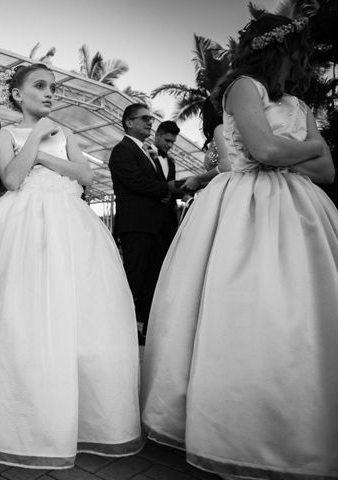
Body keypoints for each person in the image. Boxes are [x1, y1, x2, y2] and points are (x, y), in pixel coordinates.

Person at [141, 13, 338, 479]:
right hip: (244, 205)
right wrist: (305, 150)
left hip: (300, 210)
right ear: (280, 51)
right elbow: (267, 153)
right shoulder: (244, 86)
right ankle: (232, 425)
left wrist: (289, 152)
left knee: (302, 307)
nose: (301, 66)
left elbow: (326, 171)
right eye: (297, 55)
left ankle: (295, 422)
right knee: (242, 302)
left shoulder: (299, 104)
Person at [0, 63, 143, 469]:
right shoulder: (4, 134)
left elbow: (84, 176)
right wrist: (35, 137)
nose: (50, 93)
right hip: (21, 226)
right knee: (23, 311)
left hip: (70, 226)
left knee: (76, 311)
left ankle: (74, 411)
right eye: (40, 86)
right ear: (17, 94)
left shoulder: (65, 133)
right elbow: (12, 179)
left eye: (53, 87)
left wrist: (46, 159)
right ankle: (23, 410)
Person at [108, 103, 183, 342]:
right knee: (133, 279)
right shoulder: (122, 150)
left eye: (151, 119)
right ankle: (123, 328)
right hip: (136, 225)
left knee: (153, 280)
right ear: (129, 122)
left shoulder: (146, 150)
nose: (150, 122)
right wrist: (167, 188)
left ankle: (148, 328)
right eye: (144, 119)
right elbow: (135, 182)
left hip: (155, 227)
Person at [181, 98, 231, 194]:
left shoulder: (220, 129)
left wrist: (198, 179)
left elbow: (226, 167)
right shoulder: (227, 131)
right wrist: (198, 183)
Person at [145, 120, 181, 250]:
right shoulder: (143, 153)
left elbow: (171, 186)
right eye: (167, 140)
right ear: (157, 135)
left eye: (173, 142)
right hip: (148, 219)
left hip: (168, 220)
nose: (170, 145)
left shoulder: (171, 161)